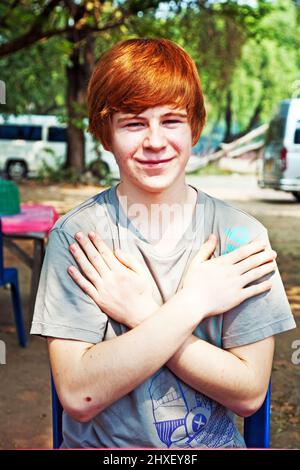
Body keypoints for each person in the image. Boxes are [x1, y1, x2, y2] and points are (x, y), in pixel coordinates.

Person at [31, 38, 296, 449]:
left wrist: (142, 312)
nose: (154, 141)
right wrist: (194, 303)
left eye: (171, 120)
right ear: (105, 133)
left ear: (195, 128)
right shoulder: (80, 236)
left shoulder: (240, 237)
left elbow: (247, 393)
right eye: (134, 123)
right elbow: (79, 395)